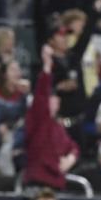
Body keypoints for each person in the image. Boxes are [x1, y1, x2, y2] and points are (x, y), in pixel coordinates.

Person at [24, 44, 80, 190]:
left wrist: (70, 158)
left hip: (57, 183)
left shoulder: (58, 127)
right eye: (52, 98)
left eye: (57, 99)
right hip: (38, 181)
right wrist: (47, 66)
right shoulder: (38, 119)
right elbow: (41, 94)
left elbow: (73, 146)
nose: (56, 101)